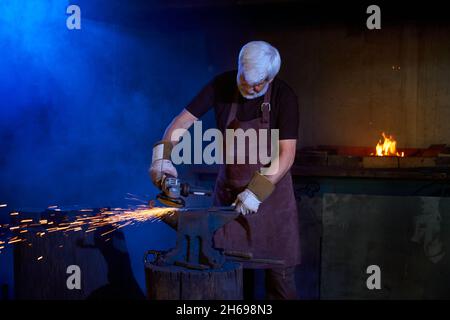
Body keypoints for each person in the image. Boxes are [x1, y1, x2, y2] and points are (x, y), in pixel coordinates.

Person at [149, 40, 301, 299]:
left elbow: (286, 156)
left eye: (258, 84)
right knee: (230, 283)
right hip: (229, 205)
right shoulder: (220, 86)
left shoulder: (283, 96)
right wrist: (161, 159)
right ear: (239, 67)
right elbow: (181, 122)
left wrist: (256, 192)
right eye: (244, 79)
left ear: (270, 77)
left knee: (280, 284)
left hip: (272, 203)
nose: (250, 88)